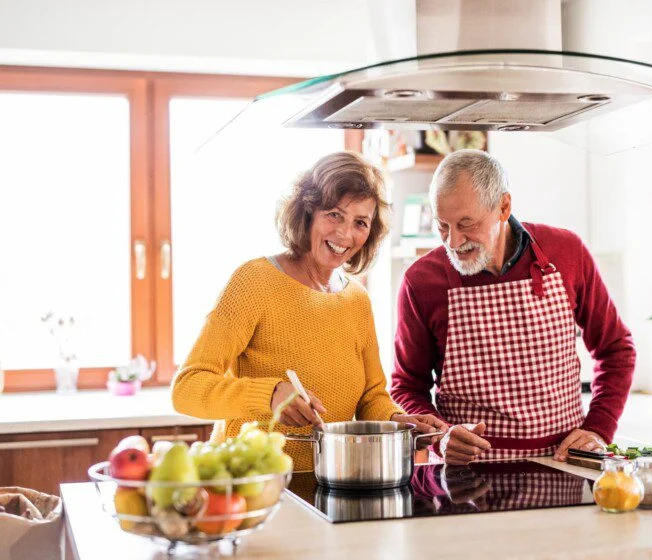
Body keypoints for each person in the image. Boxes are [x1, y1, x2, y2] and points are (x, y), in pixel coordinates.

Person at [172, 151, 446, 471]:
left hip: (329, 485)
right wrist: (270, 394)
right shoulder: (254, 281)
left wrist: (399, 422)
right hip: (249, 480)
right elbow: (187, 388)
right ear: (307, 211)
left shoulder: (357, 300)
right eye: (334, 215)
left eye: (360, 222)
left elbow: (371, 397)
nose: (345, 234)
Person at [390, 149, 636, 465]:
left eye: (466, 224)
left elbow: (617, 349)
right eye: (442, 226)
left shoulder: (566, 252)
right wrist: (440, 438)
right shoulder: (421, 281)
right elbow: (407, 386)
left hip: (562, 467)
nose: (453, 241)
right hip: (466, 478)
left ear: (503, 207)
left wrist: (599, 427)